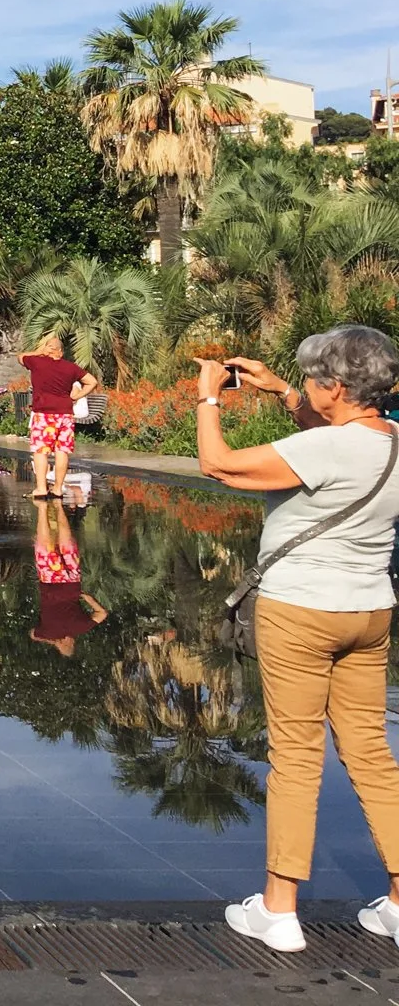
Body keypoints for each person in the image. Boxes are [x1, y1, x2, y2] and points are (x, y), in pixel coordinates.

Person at [194, 328, 399, 954]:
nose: (307, 388)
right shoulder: (391, 439)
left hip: (302, 611)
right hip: (369, 611)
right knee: (371, 753)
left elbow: (218, 464)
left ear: (335, 388)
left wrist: (208, 397)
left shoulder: (326, 448)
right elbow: (335, 437)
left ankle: (279, 911)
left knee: (296, 757)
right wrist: (282, 389)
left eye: (312, 380)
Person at [21, 335, 98, 497]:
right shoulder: (71, 367)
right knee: (62, 451)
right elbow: (92, 381)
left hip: (44, 414)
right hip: (65, 414)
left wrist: (38, 352)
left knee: (41, 451)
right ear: (60, 352)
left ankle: (41, 488)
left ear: (47, 350)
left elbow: (20, 357)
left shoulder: (36, 362)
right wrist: (76, 396)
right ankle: (57, 488)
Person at [30, 495, 106, 656]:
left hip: (72, 585)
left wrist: (87, 598)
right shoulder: (48, 633)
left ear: (70, 643)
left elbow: (102, 614)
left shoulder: (81, 628)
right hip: (50, 583)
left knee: (66, 545)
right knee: (44, 546)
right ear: (61, 644)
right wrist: (52, 641)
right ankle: (42, 509)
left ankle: (58, 505)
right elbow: (33, 634)